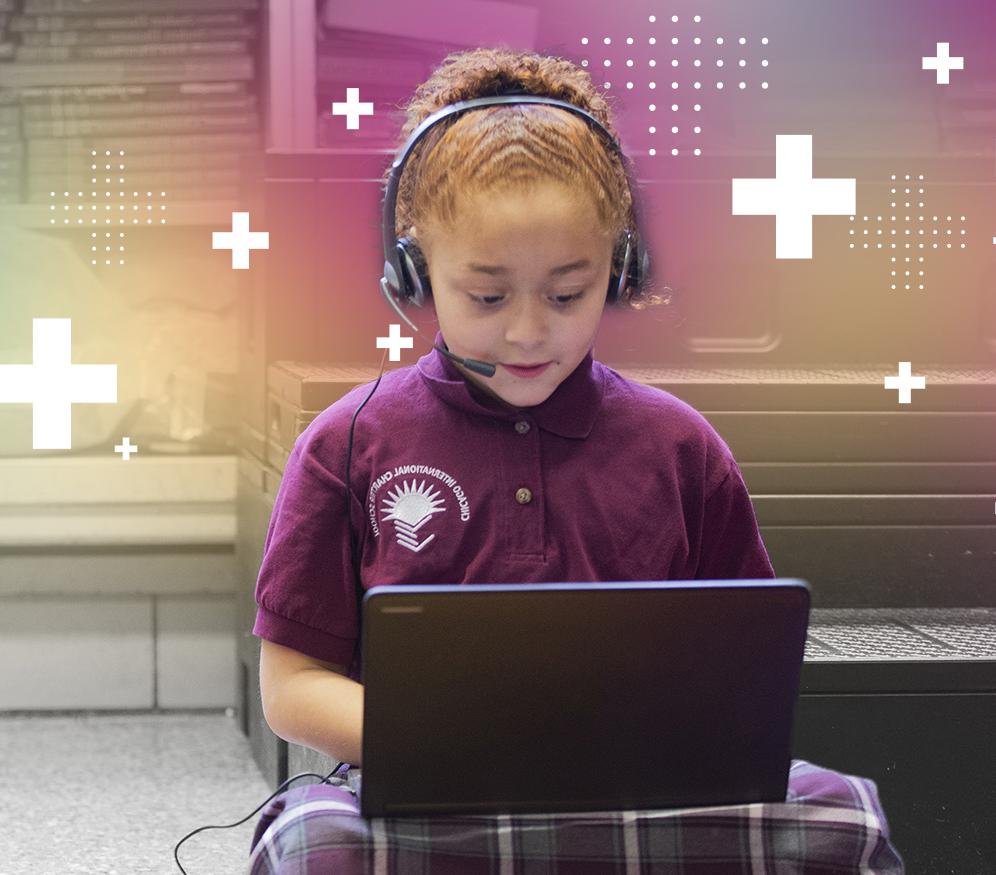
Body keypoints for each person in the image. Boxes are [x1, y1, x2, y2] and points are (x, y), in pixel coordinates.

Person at [246, 47, 904, 874]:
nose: (527, 333)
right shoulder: (347, 445)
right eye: (486, 296)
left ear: (618, 270)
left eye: (567, 294)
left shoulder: (682, 447)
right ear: (414, 270)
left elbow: (743, 672)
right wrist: (452, 740)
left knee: (844, 812)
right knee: (310, 842)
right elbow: (292, 684)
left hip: (643, 796)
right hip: (436, 804)